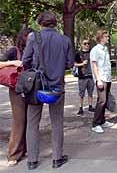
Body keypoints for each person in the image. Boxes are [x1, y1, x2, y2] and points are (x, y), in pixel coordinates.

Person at [22, 12, 74, 170]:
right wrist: (57, 67)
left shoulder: (33, 38)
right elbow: (70, 63)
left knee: (32, 123)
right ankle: (57, 158)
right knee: (57, 122)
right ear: (54, 23)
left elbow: (25, 61)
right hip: (57, 86)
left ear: (40, 23)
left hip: (37, 86)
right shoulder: (65, 40)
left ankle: (32, 160)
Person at [0, 27, 33, 167]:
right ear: (23, 37)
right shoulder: (14, 51)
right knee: (19, 121)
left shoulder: (33, 50)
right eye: (29, 36)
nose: (31, 39)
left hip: (31, 88)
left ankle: (24, 149)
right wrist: (13, 62)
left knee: (29, 120)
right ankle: (13, 154)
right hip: (17, 90)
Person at [90, 30, 115, 133]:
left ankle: (102, 121)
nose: (107, 38)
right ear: (101, 38)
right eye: (106, 37)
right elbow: (94, 65)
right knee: (102, 101)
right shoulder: (95, 50)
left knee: (103, 100)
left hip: (107, 78)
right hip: (101, 78)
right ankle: (95, 124)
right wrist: (98, 79)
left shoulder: (105, 49)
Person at [74, 39, 95, 116]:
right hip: (82, 76)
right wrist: (82, 63)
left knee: (90, 92)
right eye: (85, 43)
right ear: (81, 44)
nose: (87, 45)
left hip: (91, 76)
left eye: (88, 43)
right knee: (81, 93)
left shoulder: (92, 53)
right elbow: (74, 64)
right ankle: (80, 108)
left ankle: (90, 106)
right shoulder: (78, 53)